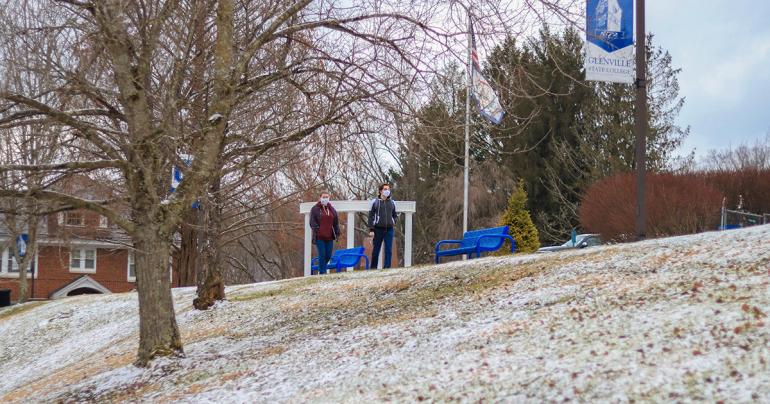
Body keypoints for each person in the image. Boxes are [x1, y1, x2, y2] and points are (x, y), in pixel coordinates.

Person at [309, 191, 340, 275]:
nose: (325, 198)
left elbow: (336, 222)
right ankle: (323, 272)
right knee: (322, 255)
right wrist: (317, 229)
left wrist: (337, 232)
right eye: (324, 197)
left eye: (327, 197)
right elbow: (312, 221)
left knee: (328, 256)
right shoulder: (315, 208)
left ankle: (321, 268)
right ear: (320, 198)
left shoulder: (332, 209)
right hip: (320, 237)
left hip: (329, 236)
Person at [368, 183, 398, 269]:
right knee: (376, 251)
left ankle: (387, 268)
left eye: (388, 189)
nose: (387, 191)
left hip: (389, 229)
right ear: (380, 191)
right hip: (378, 229)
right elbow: (371, 216)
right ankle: (373, 268)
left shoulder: (392, 203)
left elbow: (395, 215)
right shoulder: (374, 202)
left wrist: (393, 222)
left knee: (388, 250)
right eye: (385, 189)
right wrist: (371, 230)